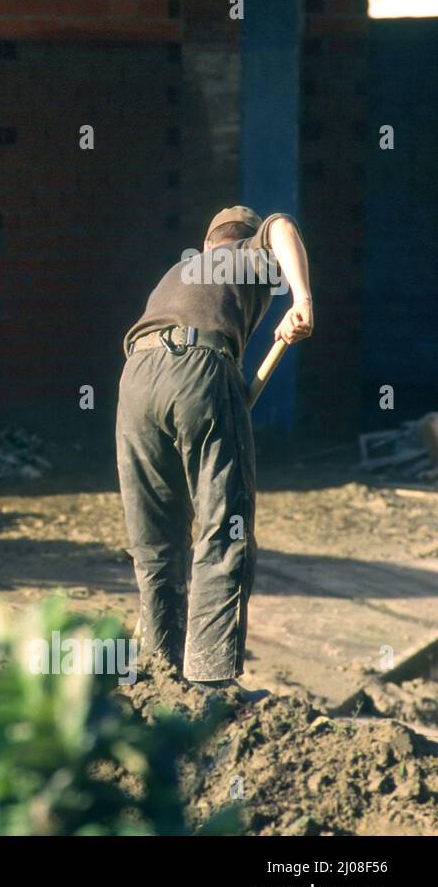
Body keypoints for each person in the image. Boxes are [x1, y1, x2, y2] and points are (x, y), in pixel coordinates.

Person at [116, 206, 314, 691]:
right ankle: (209, 681)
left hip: (135, 379)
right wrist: (302, 299)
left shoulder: (179, 271)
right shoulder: (244, 254)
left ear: (206, 243)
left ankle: (156, 674)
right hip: (201, 366)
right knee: (224, 526)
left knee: (155, 539)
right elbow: (283, 225)